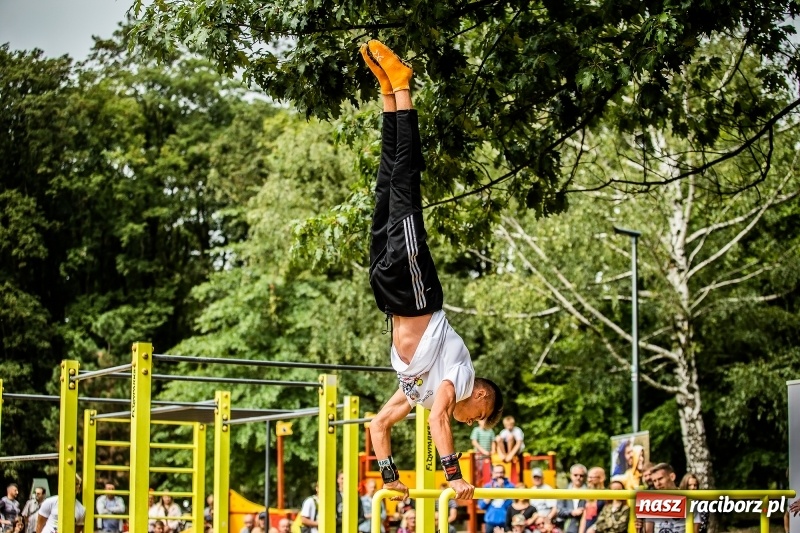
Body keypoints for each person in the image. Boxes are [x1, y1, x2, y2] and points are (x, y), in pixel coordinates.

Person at [360, 37, 504, 502]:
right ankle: (404, 89)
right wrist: (454, 474)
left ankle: (387, 90)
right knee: (405, 180)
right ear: (481, 400)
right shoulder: (459, 376)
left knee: (386, 182)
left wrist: (389, 477)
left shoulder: (419, 392)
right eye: (475, 420)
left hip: (388, 293)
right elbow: (438, 419)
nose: (468, 424)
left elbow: (378, 424)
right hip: (415, 290)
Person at [480, 465, 515, 533]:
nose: (499, 475)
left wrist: (502, 489)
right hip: (490, 522)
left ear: (504, 473)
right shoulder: (487, 486)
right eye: (496, 473)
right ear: (493, 473)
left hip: (505, 523)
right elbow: (482, 505)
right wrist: (492, 492)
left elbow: (511, 506)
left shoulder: (510, 486)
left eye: (501, 472)